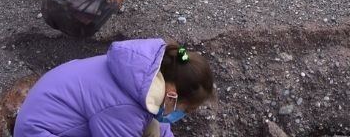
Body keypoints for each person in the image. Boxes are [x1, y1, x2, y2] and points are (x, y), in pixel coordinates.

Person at [13, 38, 214, 137]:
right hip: (38, 132)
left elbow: (157, 126)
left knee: (150, 127)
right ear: (172, 96)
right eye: (185, 110)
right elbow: (125, 116)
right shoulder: (123, 109)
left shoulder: (143, 75)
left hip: (50, 114)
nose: (181, 115)